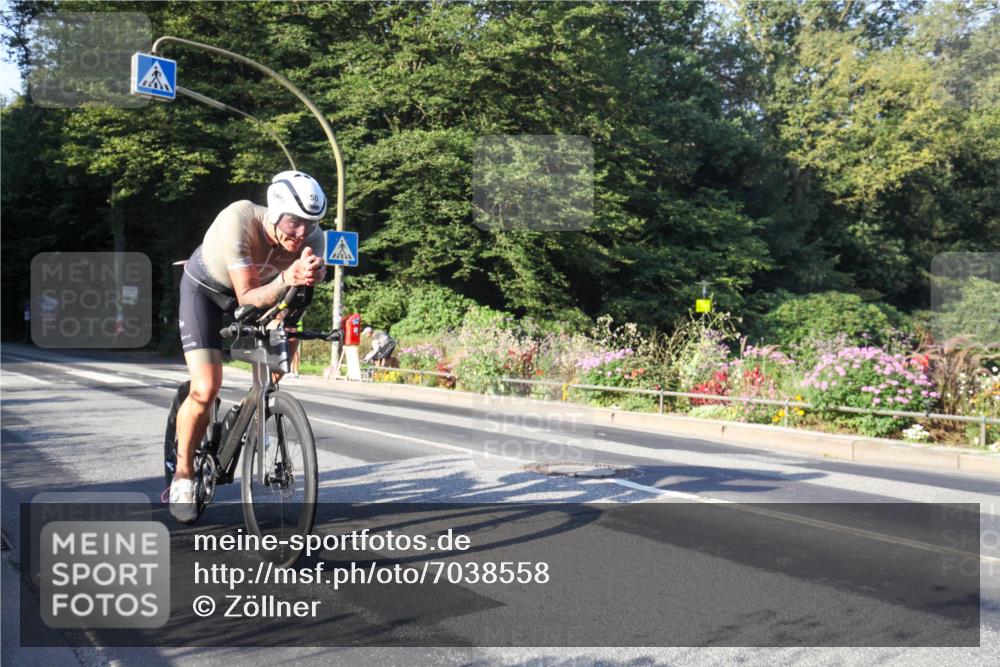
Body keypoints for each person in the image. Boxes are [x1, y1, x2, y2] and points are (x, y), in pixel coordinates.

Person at [170, 170, 327, 523]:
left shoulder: (313, 240)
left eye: (311, 224)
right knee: (206, 386)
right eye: (293, 222)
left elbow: (296, 300)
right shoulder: (238, 220)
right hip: (207, 294)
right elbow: (246, 298)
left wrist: (290, 313)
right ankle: (182, 474)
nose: (301, 233)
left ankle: (249, 411)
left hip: (265, 296)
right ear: (274, 211)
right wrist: (288, 277)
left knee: (280, 359)